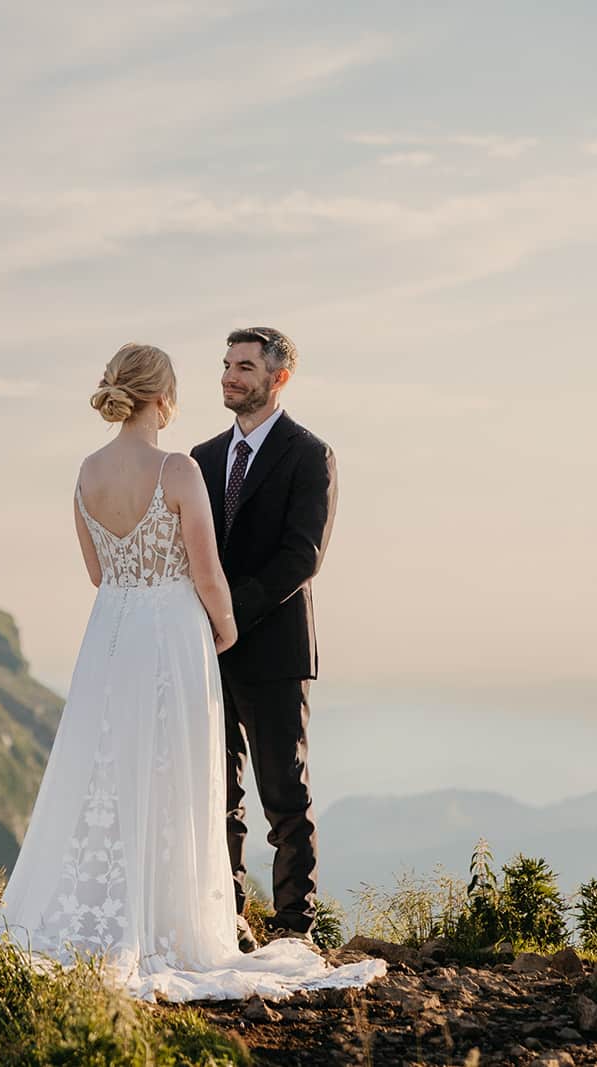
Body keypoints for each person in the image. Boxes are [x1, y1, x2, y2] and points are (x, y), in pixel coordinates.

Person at [0, 342, 381, 1002]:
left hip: (110, 638)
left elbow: (96, 572)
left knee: (111, 770)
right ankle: (176, 923)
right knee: (178, 777)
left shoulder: (86, 471)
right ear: (162, 397)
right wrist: (222, 629)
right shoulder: (178, 468)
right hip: (172, 634)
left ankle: (102, 914)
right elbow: (206, 572)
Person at [189, 327, 333, 951]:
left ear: (278, 378)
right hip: (202, 650)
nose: (229, 375)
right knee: (216, 793)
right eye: (226, 364)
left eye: (244, 366)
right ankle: (228, 919)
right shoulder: (199, 456)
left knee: (284, 794)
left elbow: (302, 556)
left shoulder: (309, 454)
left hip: (272, 651)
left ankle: (294, 929)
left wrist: (229, 612)